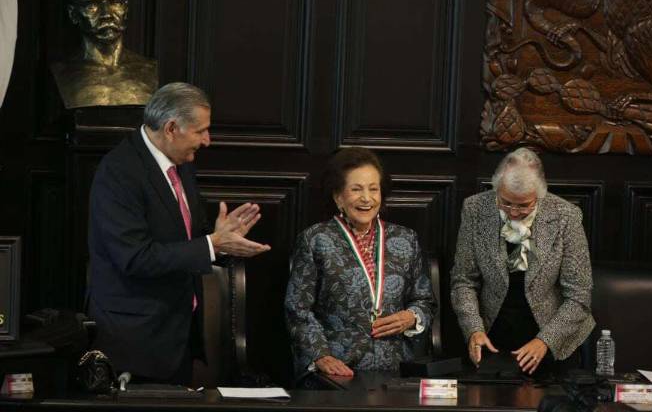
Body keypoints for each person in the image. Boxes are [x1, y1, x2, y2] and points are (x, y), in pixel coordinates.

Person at [87, 82, 270, 384]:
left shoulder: (181, 164)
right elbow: (134, 258)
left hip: (177, 334)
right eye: (200, 131)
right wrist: (211, 244)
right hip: (135, 341)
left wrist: (221, 237)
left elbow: (187, 237)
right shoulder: (118, 173)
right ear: (171, 128)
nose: (207, 141)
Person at [285, 147, 435, 377]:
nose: (367, 198)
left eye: (373, 189)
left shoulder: (406, 239)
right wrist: (321, 355)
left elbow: (424, 300)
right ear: (338, 197)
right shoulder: (315, 239)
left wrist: (411, 317)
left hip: (398, 365)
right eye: (356, 189)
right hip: (338, 368)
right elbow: (298, 309)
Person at [451, 147, 595, 375]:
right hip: (492, 336)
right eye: (506, 202)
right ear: (496, 188)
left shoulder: (566, 216)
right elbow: (463, 281)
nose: (514, 212)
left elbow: (579, 297)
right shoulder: (475, 209)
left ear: (540, 195)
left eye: (524, 205)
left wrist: (545, 341)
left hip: (553, 340)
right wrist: (473, 329)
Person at [50, 0, 157, 108]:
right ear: (73, 14)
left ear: (126, 9)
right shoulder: (61, 73)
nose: (107, 15)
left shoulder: (151, 69)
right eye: (92, 6)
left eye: (115, 3)